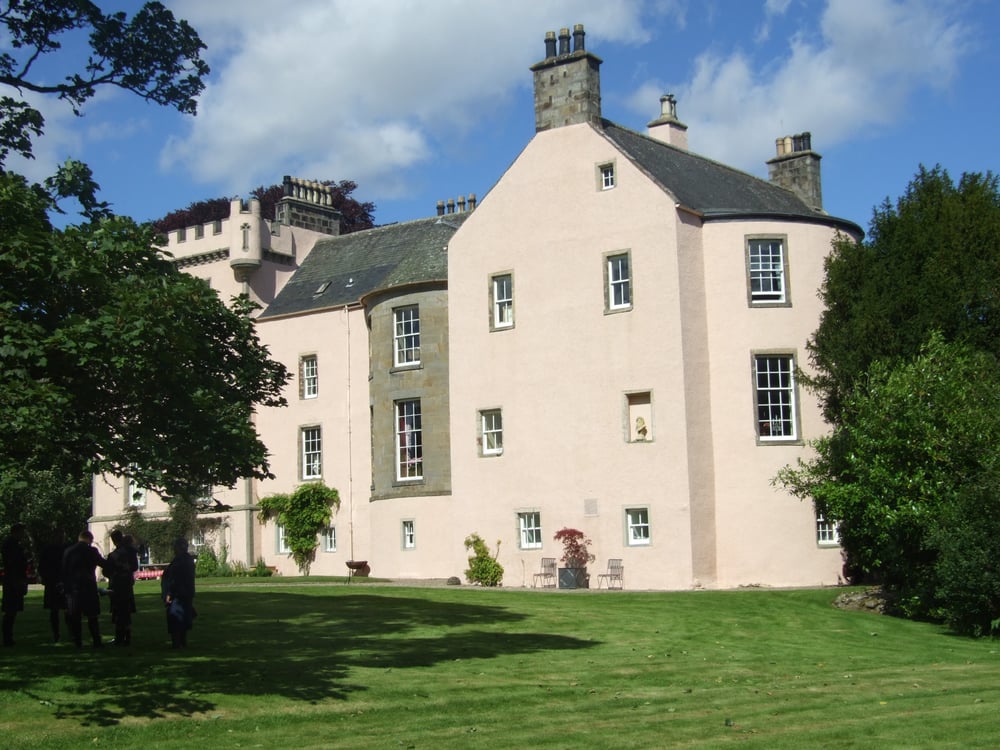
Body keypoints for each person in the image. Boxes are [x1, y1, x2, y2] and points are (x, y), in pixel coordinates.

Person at [61, 530, 108, 648]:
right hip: (88, 586)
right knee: (92, 616)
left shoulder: (68, 551)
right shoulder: (91, 551)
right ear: (89, 539)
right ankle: (96, 640)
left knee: (75, 617)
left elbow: (64, 570)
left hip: (73, 588)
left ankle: (77, 641)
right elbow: (103, 563)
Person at [106, 530, 139, 646]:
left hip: (116, 585)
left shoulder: (113, 555)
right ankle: (127, 637)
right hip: (127, 584)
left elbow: (106, 571)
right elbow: (135, 566)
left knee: (118, 612)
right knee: (126, 611)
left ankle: (119, 637)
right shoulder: (130, 552)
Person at [162, 538, 196, 648]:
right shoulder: (188, 559)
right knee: (184, 619)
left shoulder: (179, 561)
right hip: (187, 592)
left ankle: (177, 644)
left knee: (175, 619)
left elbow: (175, 579)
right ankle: (183, 642)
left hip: (178, 594)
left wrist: (169, 594)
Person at [38, 530, 70, 643]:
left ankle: (64, 632)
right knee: (58, 609)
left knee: (64, 609)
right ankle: (59, 633)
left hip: (57, 581)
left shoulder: (50, 549)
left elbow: (41, 566)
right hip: (56, 581)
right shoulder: (64, 549)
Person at [1, 524, 30, 647]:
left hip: (14, 579)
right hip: (14, 580)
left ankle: (8, 637)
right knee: (10, 611)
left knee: (11, 610)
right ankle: (7, 638)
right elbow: (14, 564)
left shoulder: (13, 545)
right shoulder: (11, 545)